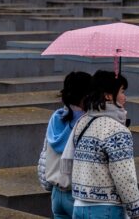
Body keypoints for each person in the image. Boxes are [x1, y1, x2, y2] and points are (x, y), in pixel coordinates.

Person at [71, 70, 139, 219]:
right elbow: (124, 177)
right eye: (122, 91)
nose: (125, 97)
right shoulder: (117, 130)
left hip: (79, 207)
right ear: (108, 95)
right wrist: (137, 212)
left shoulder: (82, 122)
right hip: (106, 210)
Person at [38, 71, 92, 219]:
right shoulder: (87, 122)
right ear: (86, 95)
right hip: (76, 193)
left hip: (56, 192)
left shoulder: (56, 117)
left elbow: (45, 153)